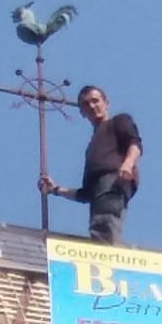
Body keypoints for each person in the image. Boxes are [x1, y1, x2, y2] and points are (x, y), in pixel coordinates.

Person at [38, 85, 142, 244]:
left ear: (106, 103)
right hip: (99, 189)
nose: (92, 106)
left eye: (95, 101)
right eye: (86, 104)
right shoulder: (94, 146)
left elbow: (134, 143)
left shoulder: (118, 121)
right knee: (102, 227)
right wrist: (56, 190)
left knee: (104, 226)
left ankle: (107, 262)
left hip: (113, 181)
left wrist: (128, 164)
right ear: (82, 112)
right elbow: (86, 194)